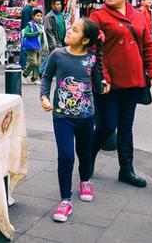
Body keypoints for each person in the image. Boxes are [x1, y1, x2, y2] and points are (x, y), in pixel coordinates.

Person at [89, 0, 152, 187]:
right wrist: (103, 77)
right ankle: (87, 157)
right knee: (106, 126)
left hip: (133, 81)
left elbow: (148, 46)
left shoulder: (138, 16)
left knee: (125, 126)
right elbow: (94, 50)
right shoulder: (98, 16)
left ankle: (126, 169)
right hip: (108, 83)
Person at [40, 18, 105, 222]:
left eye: (75, 30)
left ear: (85, 40)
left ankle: (85, 180)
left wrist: (104, 85)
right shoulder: (57, 55)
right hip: (62, 117)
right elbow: (46, 77)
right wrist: (44, 96)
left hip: (87, 117)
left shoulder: (92, 59)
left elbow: (97, 83)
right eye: (71, 27)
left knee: (84, 153)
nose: (69, 30)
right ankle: (65, 200)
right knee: (66, 157)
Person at [22, 9, 45, 85]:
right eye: (37, 16)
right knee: (33, 62)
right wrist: (37, 32)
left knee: (38, 63)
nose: (39, 17)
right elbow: (26, 33)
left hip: (38, 46)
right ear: (33, 16)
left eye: (40, 16)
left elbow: (42, 37)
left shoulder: (40, 25)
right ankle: (24, 75)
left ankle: (34, 79)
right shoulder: (30, 25)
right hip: (30, 46)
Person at [19, 0, 39, 68]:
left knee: (25, 47)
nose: (37, 4)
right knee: (24, 47)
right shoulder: (27, 9)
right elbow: (27, 22)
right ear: (31, 1)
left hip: (25, 30)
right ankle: (22, 64)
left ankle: (23, 64)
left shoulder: (28, 9)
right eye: (36, 2)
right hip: (26, 30)